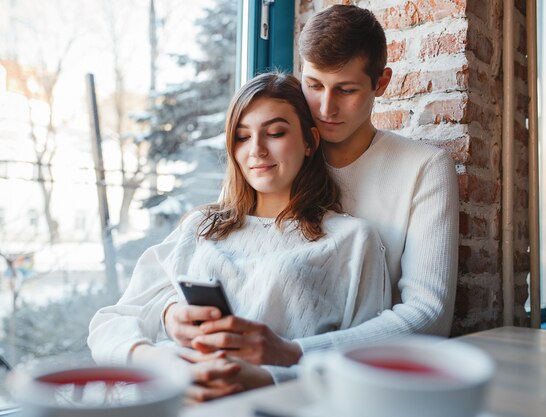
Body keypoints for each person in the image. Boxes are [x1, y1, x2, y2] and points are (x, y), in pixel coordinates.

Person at [163, 4, 459, 371]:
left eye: (346, 90)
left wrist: (296, 354)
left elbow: (430, 315)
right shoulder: (274, 161)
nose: (325, 107)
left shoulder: (424, 168)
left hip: (359, 372)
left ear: (380, 83)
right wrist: (170, 312)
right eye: (314, 85)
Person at [88, 72, 391, 401]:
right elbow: (109, 323)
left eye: (275, 132)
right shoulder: (201, 226)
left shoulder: (352, 240)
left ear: (310, 142)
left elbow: (368, 364)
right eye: (242, 137)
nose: (257, 149)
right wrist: (154, 358)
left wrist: (267, 379)